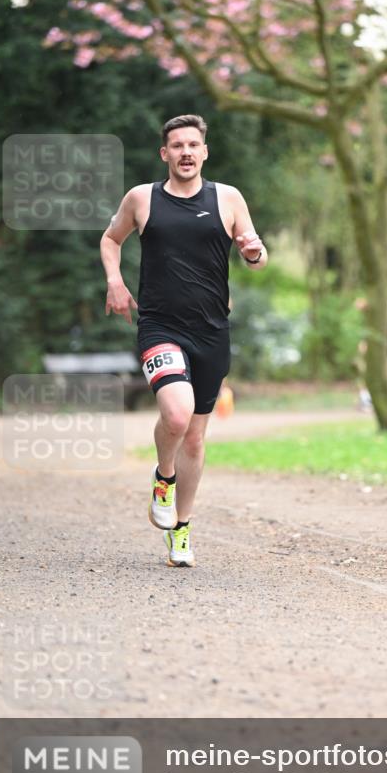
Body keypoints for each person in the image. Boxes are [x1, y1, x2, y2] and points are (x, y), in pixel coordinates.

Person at [100, 114, 267, 567]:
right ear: (165, 154)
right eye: (177, 146)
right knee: (175, 414)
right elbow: (110, 239)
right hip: (160, 326)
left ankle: (181, 530)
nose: (186, 152)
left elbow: (255, 251)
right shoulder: (142, 198)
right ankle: (163, 478)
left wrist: (253, 251)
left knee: (195, 437)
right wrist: (115, 281)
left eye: (193, 145)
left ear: (205, 152)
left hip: (212, 331)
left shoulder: (227, 198)